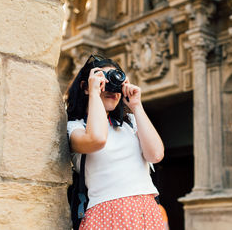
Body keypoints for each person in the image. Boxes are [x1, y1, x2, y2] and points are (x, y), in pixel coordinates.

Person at [66, 54, 165, 229]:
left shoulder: (131, 122)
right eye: (103, 80)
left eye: (115, 81)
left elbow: (156, 154)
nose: (111, 87)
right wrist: (95, 92)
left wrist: (136, 105)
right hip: (105, 214)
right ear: (85, 86)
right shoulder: (76, 127)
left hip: (147, 212)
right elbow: (96, 139)